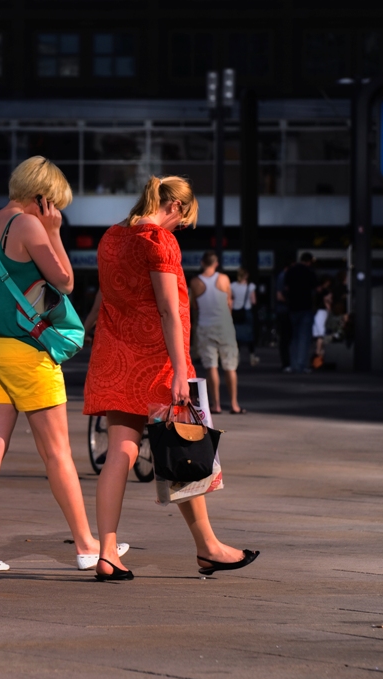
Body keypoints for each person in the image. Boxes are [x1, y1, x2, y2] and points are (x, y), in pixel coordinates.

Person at [83, 175, 259, 581]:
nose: (182, 227)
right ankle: (208, 547)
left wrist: (90, 325)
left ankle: (108, 553)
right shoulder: (158, 241)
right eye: (185, 220)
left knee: (120, 453)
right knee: (184, 449)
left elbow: (103, 293)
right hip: (157, 359)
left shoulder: (111, 237)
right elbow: (167, 309)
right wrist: (181, 368)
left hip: (114, 354)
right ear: (176, 207)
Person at [0, 155, 109, 573]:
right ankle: (87, 545)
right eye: (55, 204)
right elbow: (65, 281)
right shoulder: (29, 225)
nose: (56, 212)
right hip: (27, 354)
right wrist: (55, 233)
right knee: (57, 453)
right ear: (43, 197)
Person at [190, 251, 244, 415]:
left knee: (211, 366)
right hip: (225, 326)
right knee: (230, 366)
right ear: (216, 263)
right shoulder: (224, 279)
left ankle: (216, 405)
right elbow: (229, 302)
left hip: (205, 326)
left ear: (201, 263)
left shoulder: (195, 282)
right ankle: (234, 404)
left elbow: (194, 306)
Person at [285, 252, 318, 373]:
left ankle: (293, 364)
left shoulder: (291, 271)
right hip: (306, 306)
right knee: (304, 337)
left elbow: (286, 287)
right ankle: (301, 364)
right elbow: (315, 288)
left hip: (293, 307)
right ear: (309, 261)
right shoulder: (310, 272)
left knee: (294, 337)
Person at [230, 267, 259, 366]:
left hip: (236, 312)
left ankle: (237, 356)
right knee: (249, 335)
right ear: (246, 275)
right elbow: (254, 300)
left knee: (236, 335)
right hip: (246, 311)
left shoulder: (233, 285)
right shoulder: (250, 286)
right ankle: (252, 356)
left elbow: (230, 299)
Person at [275, 263, 292, 371]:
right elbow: (279, 295)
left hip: (283, 310)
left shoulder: (283, 276)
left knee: (285, 338)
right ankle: (286, 362)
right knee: (286, 338)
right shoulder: (284, 276)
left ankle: (286, 362)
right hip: (284, 311)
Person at [311, 290, 332, 368]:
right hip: (322, 323)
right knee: (321, 339)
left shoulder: (321, 309)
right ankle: (318, 358)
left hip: (320, 320)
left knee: (320, 340)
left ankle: (318, 358)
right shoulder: (322, 311)